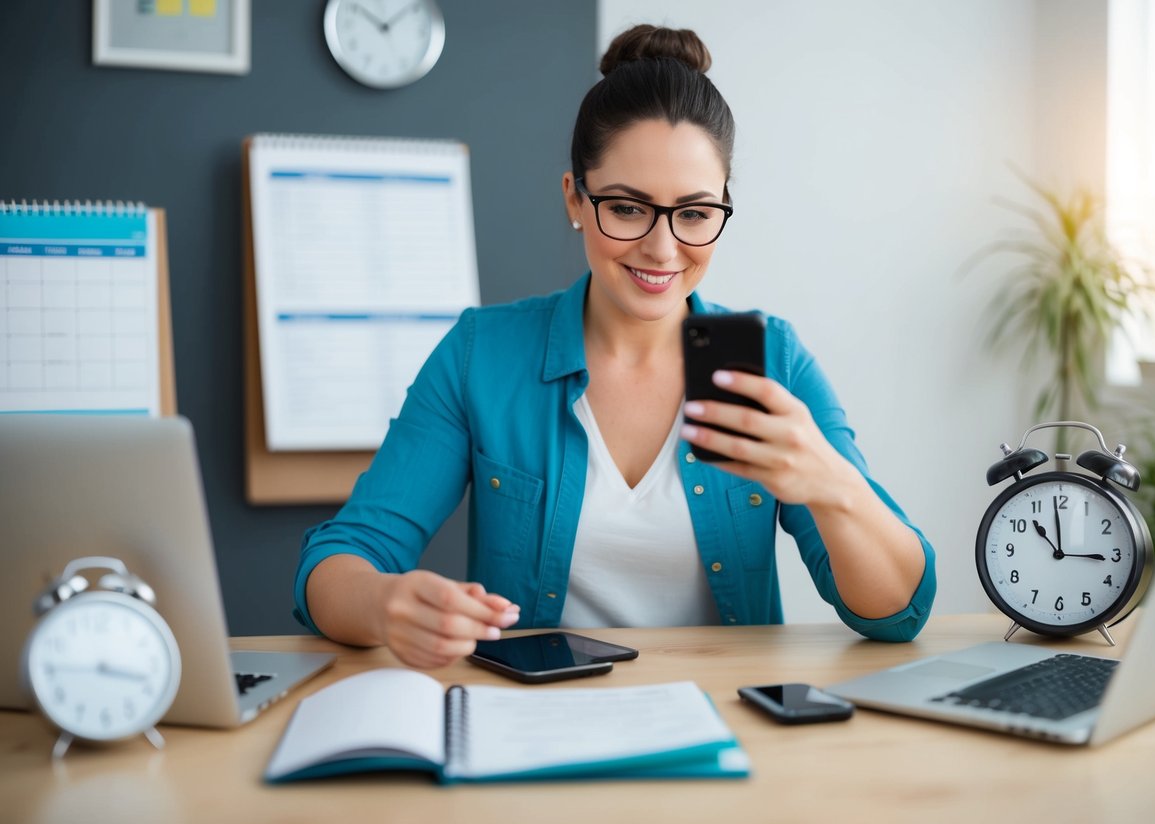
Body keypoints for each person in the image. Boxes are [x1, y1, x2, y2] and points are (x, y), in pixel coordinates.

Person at [294, 24, 936, 669]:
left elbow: (897, 615)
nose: (663, 248)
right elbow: (338, 561)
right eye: (628, 208)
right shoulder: (480, 356)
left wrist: (832, 486)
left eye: (694, 212)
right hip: (535, 725)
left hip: (732, 731)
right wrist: (386, 602)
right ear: (575, 197)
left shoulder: (774, 360)